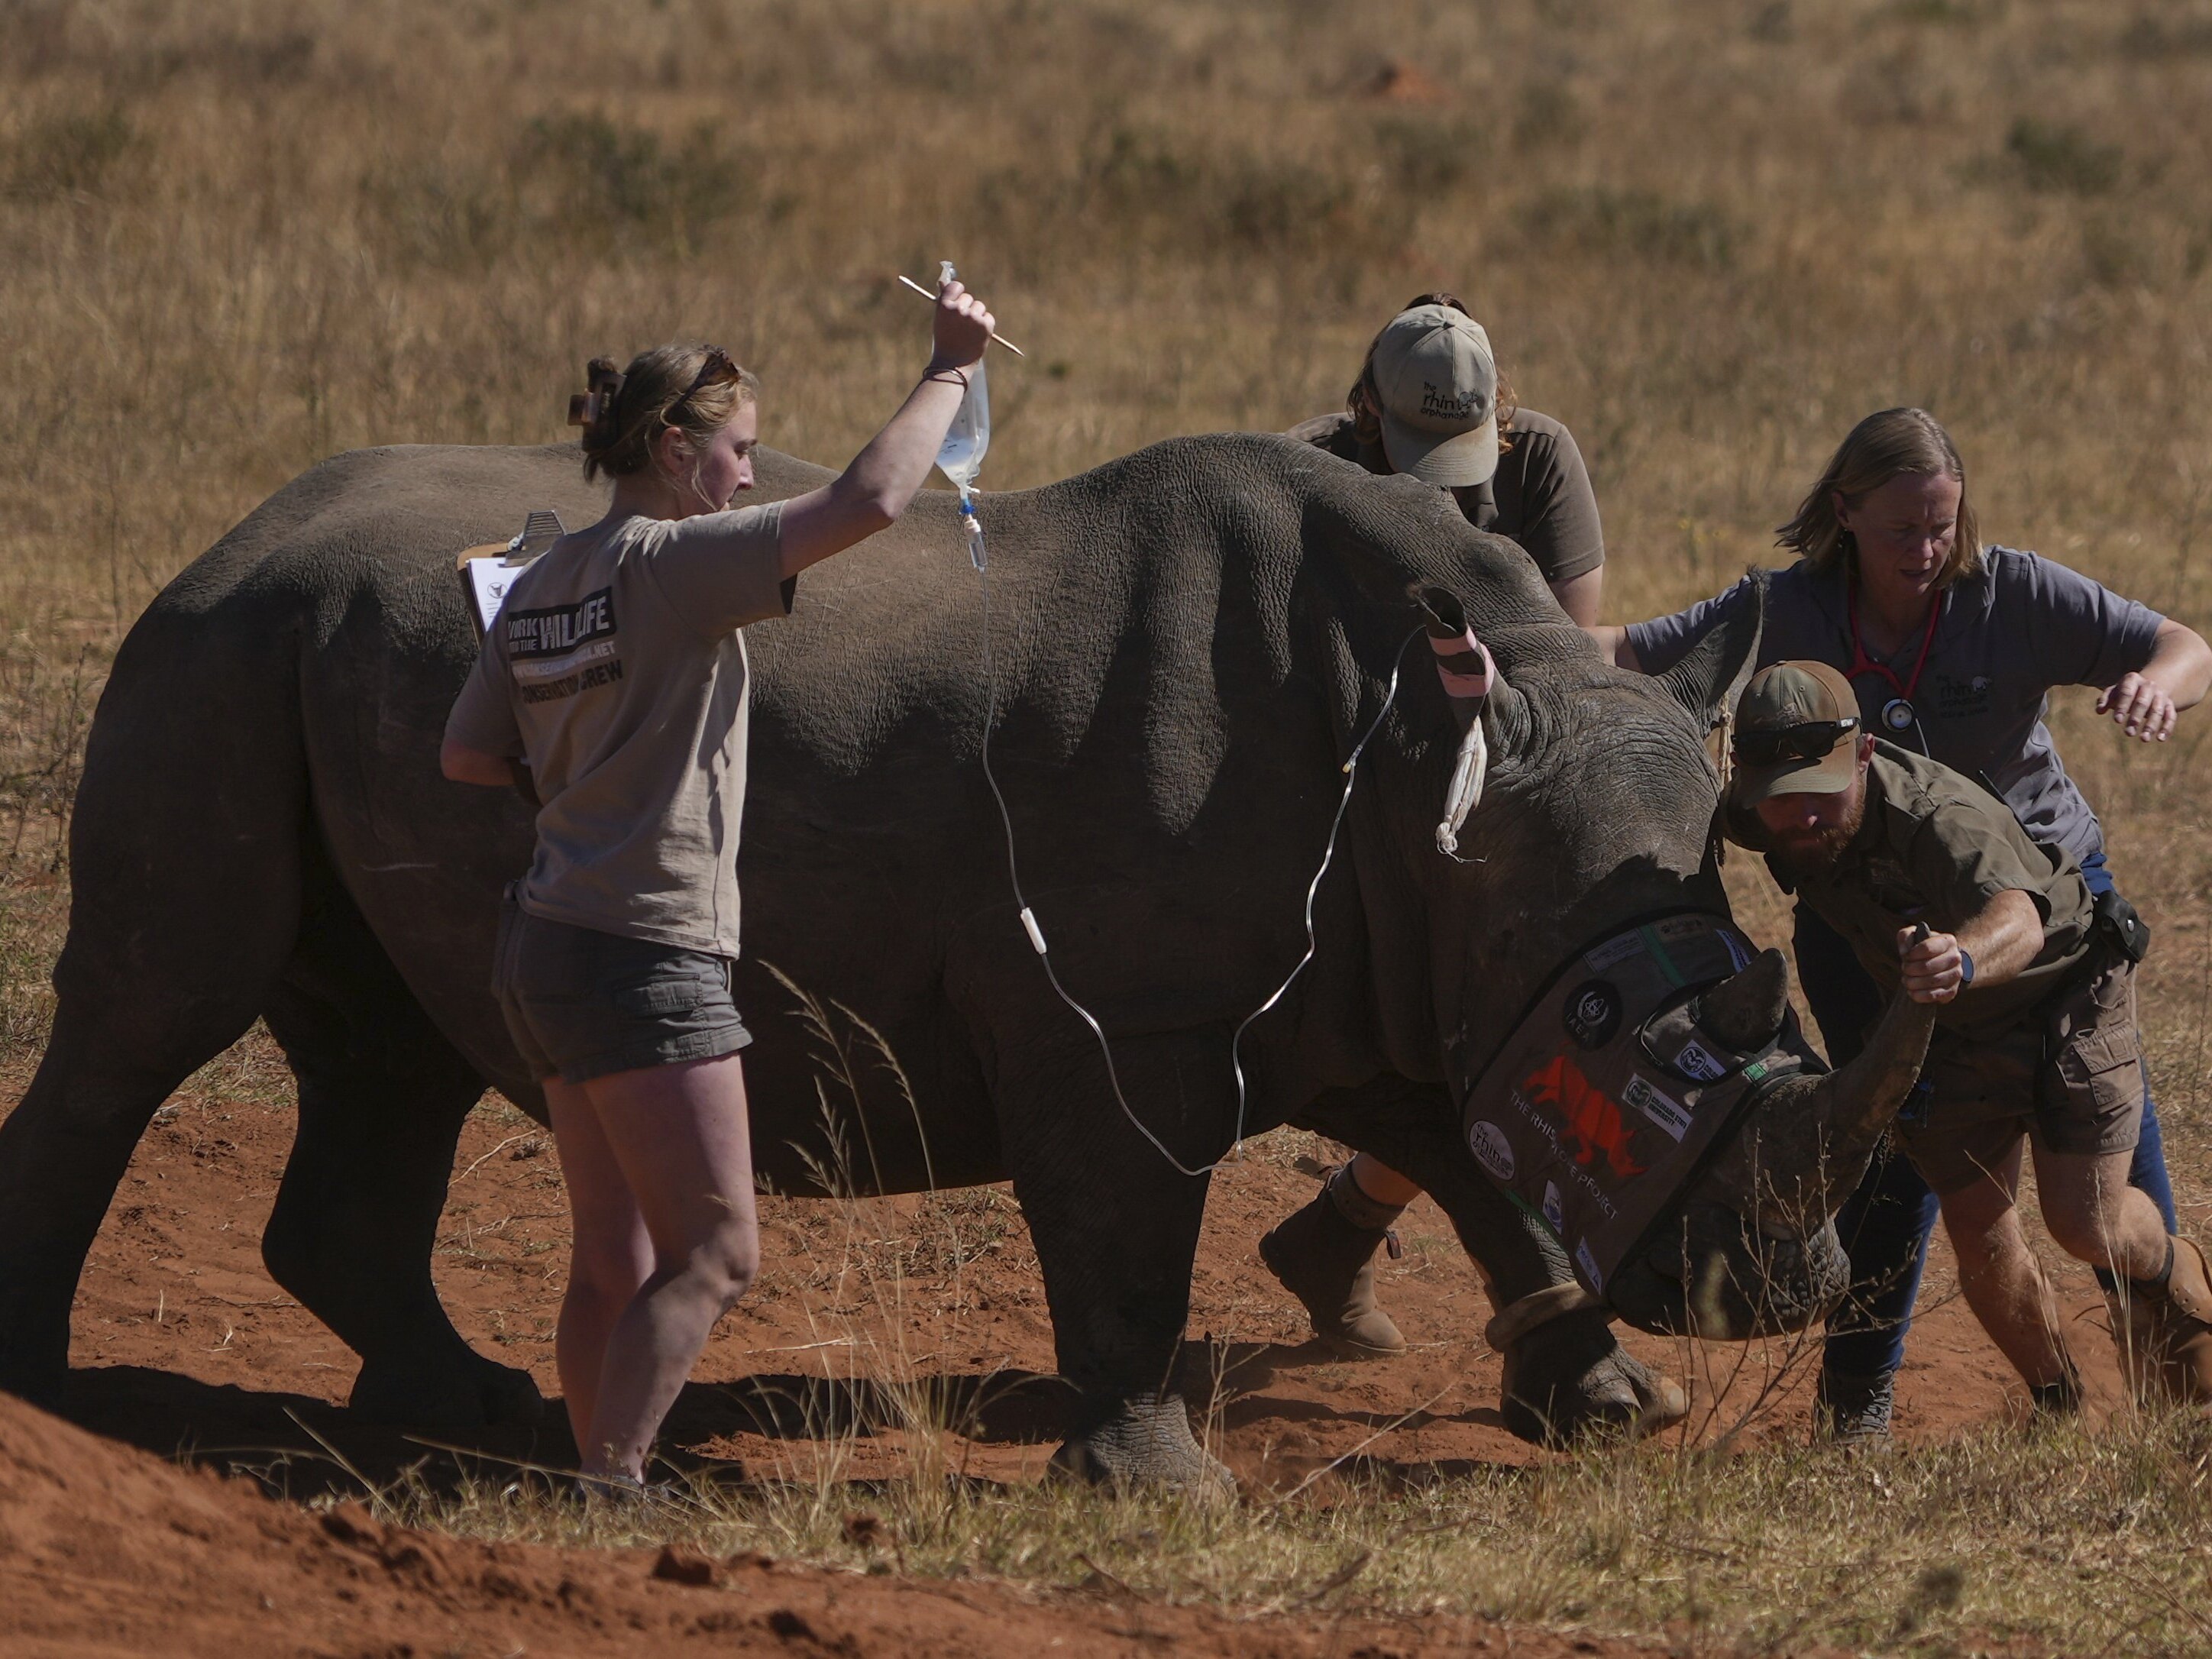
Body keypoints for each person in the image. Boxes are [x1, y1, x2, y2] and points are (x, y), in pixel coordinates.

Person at [439, 281, 997, 1489]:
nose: (748, 477)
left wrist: (585, 782)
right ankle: (614, 1488)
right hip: (644, 951)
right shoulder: (674, 567)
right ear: (676, 451)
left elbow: (466, 753)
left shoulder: (540, 580)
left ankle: (594, 1481)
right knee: (718, 1252)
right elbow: (873, 500)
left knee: (613, 1260)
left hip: (545, 940)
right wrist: (950, 367)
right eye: (739, 453)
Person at [1596, 407, 2212, 1439]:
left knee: (2095, 1193)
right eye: (1903, 530)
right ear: (1844, 514)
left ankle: (2179, 1355)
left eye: (1943, 526)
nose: (1927, 551)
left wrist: (2156, 686)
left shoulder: (2010, 594)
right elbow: (1628, 651)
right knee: (1906, 1164)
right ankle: (1890, 1403)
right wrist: (1495, 638)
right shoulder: (1786, 615)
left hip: (2042, 912)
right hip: (1871, 915)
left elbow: (2181, 644)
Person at [1718, 660, 2212, 1412]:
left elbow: (2021, 914)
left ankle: (2180, 1290)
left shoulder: (1936, 818)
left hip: (2060, 991)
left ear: (1864, 755)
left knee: (2085, 1221)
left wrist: (1964, 955)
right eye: (1779, 800)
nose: (1802, 817)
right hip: (1945, 1016)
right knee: (1977, 1226)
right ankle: (2057, 1403)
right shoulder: (1760, 815)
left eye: (1819, 792)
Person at [1263, 295, 1608, 1357]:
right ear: (1366, 408)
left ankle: (1341, 1230)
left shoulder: (1538, 458)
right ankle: (1358, 1238)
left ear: (1498, 412)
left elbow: (1569, 658)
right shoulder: (1302, 469)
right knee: (1445, 1046)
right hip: (1349, 793)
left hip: (1492, 767)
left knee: (1495, 1036)